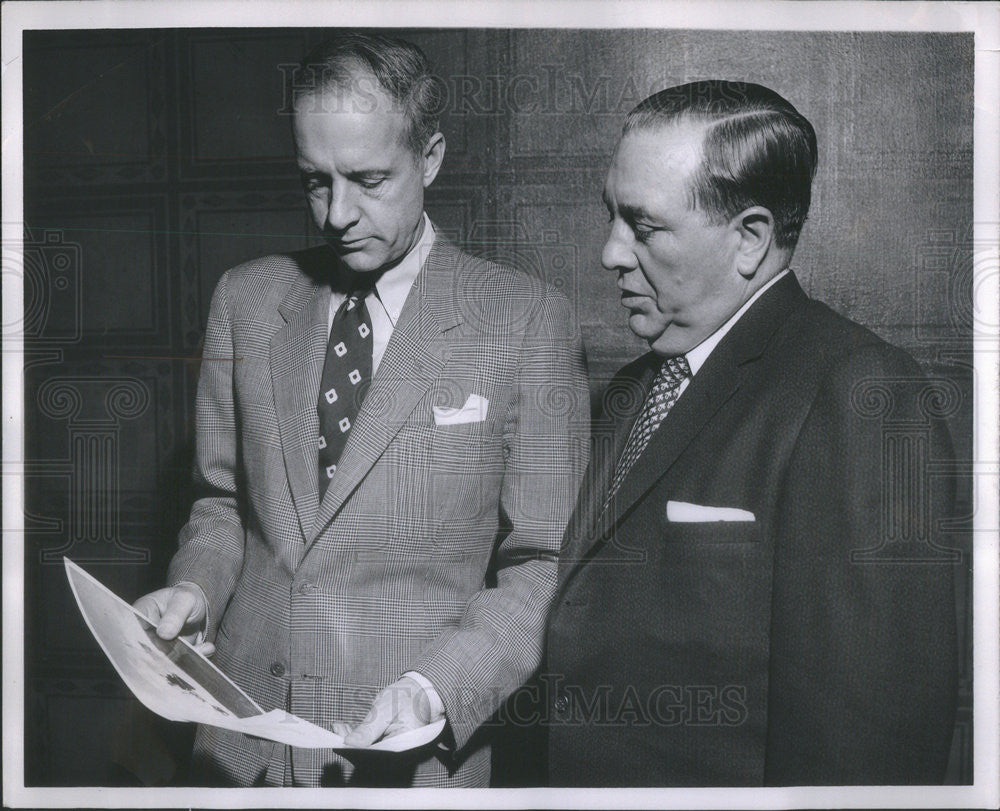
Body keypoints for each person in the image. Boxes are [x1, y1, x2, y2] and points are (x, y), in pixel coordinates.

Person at [134, 32, 588, 787]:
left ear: (431, 157)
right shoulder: (244, 300)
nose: (337, 214)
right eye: (316, 181)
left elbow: (545, 564)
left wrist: (435, 687)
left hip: (404, 761)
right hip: (236, 747)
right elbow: (219, 505)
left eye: (368, 179)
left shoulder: (526, 319)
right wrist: (196, 590)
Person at [544, 80, 959, 786]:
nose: (610, 252)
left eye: (643, 226)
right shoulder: (633, 389)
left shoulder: (865, 395)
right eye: (610, 215)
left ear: (750, 238)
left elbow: (866, 749)